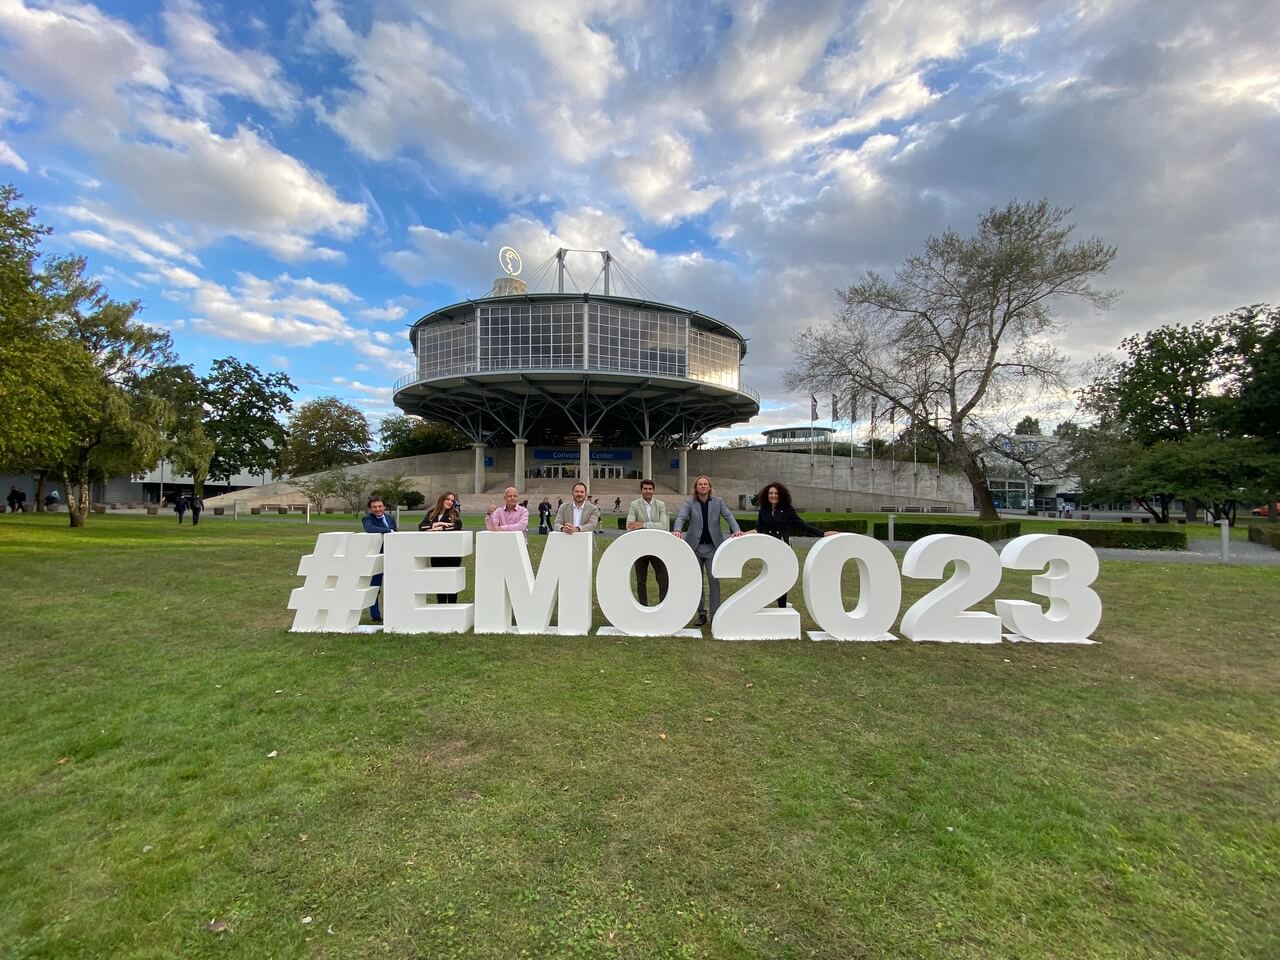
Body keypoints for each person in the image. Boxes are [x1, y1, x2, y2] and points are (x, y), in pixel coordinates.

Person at [673, 474, 744, 626]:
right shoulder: (690, 502)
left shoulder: (718, 502)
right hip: (695, 548)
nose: (703, 486)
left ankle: (715, 614)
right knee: (697, 582)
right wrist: (677, 530)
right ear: (696, 487)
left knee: (714, 582)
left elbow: (728, 516)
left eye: (705, 484)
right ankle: (701, 614)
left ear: (709, 487)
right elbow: (681, 517)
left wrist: (736, 529)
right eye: (700, 484)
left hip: (713, 548)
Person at [754, 481, 837, 607]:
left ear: (781, 495)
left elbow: (801, 525)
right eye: (771, 493)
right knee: (770, 576)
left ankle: (782, 606)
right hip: (769, 548)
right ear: (767, 495)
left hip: (783, 547)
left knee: (783, 576)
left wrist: (822, 533)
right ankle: (768, 600)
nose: (773, 496)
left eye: (776, 493)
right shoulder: (763, 510)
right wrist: (742, 533)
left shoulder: (787, 510)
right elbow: (758, 529)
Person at [626, 479, 670, 605]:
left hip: (657, 547)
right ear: (641, 490)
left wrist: (643, 524)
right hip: (640, 547)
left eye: (650, 489)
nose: (648, 491)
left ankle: (663, 605)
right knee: (641, 580)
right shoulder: (634, 505)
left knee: (663, 579)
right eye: (645, 489)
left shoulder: (660, 505)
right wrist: (653, 525)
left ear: (653, 490)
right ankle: (643, 606)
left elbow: (663, 526)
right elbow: (629, 525)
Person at [419, 491, 464, 603]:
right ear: (442, 500)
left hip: (452, 554)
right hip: (436, 553)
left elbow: (457, 526)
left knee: (451, 583)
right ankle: (441, 605)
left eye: (452, 501)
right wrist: (437, 524)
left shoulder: (454, 513)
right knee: (439, 582)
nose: (450, 502)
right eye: (448, 499)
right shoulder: (431, 513)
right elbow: (422, 526)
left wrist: (441, 528)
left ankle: (452, 606)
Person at [361, 495, 398, 624]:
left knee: (394, 586)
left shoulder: (389, 518)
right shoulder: (367, 519)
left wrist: (391, 531)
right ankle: (375, 615)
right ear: (370, 508)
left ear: (384, 507)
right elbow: (370, 529)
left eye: (380, 506)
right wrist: (388, 530)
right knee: (375, 587)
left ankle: (394, 613)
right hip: (377, 556)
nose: (377, 509)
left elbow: (395, 532)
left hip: (391, 555)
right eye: (374, 507)